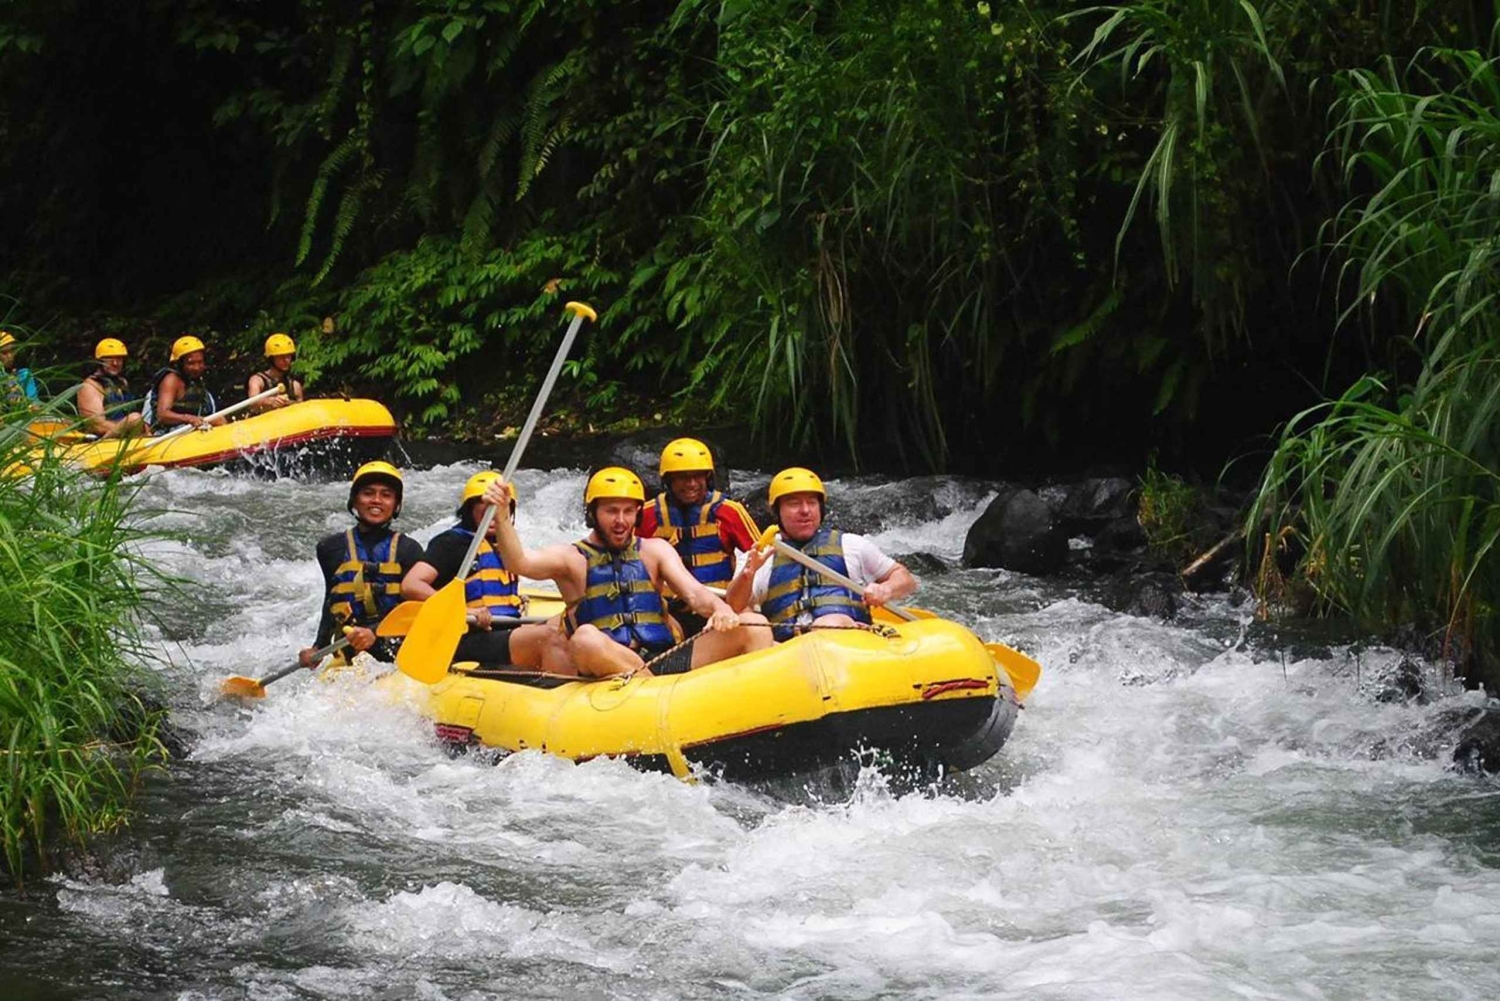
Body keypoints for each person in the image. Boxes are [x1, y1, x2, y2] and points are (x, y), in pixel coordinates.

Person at [483, 466, 772, 678]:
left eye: (628, 511)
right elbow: (520, 562)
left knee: (753, 623)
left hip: (662, 659)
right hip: (607, 670)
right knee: (584, 638)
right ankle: (653, 697)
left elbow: (695, 594)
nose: (621, 521)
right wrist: (502, 515)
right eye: (611, 511)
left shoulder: (655, 549)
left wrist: (720, 609)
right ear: (593, 513)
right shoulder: (571, 558)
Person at [400, 470, 574, 674]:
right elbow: (411, 584)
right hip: (468, 637)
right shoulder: (453, 543)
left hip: (505, 631)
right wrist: (463, 611)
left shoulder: (504, 547)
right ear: (470, 510)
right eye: (486, 511)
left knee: (570, 622)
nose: (493, 517)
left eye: (499, 511)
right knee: (550, 636)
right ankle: (559, 690)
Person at [728, 467, 917, 640]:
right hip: (788, 654)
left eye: (811, 502)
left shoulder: (851, 545)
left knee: (827, 625)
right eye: (794, 504)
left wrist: (886, 589)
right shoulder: (762, 556)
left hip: (848, 644)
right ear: (777, 512)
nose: (805, 510)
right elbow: (735, 605)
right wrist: (748, 574)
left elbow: (905, 579)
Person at [300, 461, 425, 668]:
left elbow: (418, 610)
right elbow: (332, 598)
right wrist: (318, 646)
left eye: (386, 495)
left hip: (394, 653)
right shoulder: (331, 548)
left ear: (396, 504)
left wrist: (374, 633)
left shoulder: (409, 550)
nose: (376, 500)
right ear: (355, 501)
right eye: (368, 493)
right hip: (349, 651)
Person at [637, 437, 760, 634]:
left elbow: (761, 559)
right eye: (683, 477)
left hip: (720, 607)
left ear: (708, 478)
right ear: (668, 480)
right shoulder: (647, 515)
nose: (692, 484)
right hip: (668, 611)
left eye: (698, 476)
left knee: (751, 620)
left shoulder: (730, 511)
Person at [141, 335, 224, 430]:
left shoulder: (197, 381)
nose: (197, 367)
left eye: (200, 362)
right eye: (191, 363)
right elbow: (162, 415)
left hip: (189, 427)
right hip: (167, 432)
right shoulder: (171, 380)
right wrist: (188, 419)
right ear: (179, 363)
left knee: (220, 420)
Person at [77, 338, 145, 438]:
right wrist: (130, 428)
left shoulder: (122, 383)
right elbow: (97, 426)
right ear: (99, 361)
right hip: (101, 441)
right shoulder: (90, 386)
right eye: (109, 359)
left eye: (119, 359)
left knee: (138, 419)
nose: (115, 363)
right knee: (134, 418)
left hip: (125, 436)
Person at [245, 333, 305, 412]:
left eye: (288, 356)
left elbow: (302, 409)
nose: (286, 360)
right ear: (271, 359)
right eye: (281, 357)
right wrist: (269, 401)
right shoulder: (257, 380)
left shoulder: (295, 385)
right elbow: (252, 401)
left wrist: (289, 403)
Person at [1, 330, 39, 407]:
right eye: (4, 353)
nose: (10, 356)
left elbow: (33, 401)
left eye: (12, 351)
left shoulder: (23, 375)